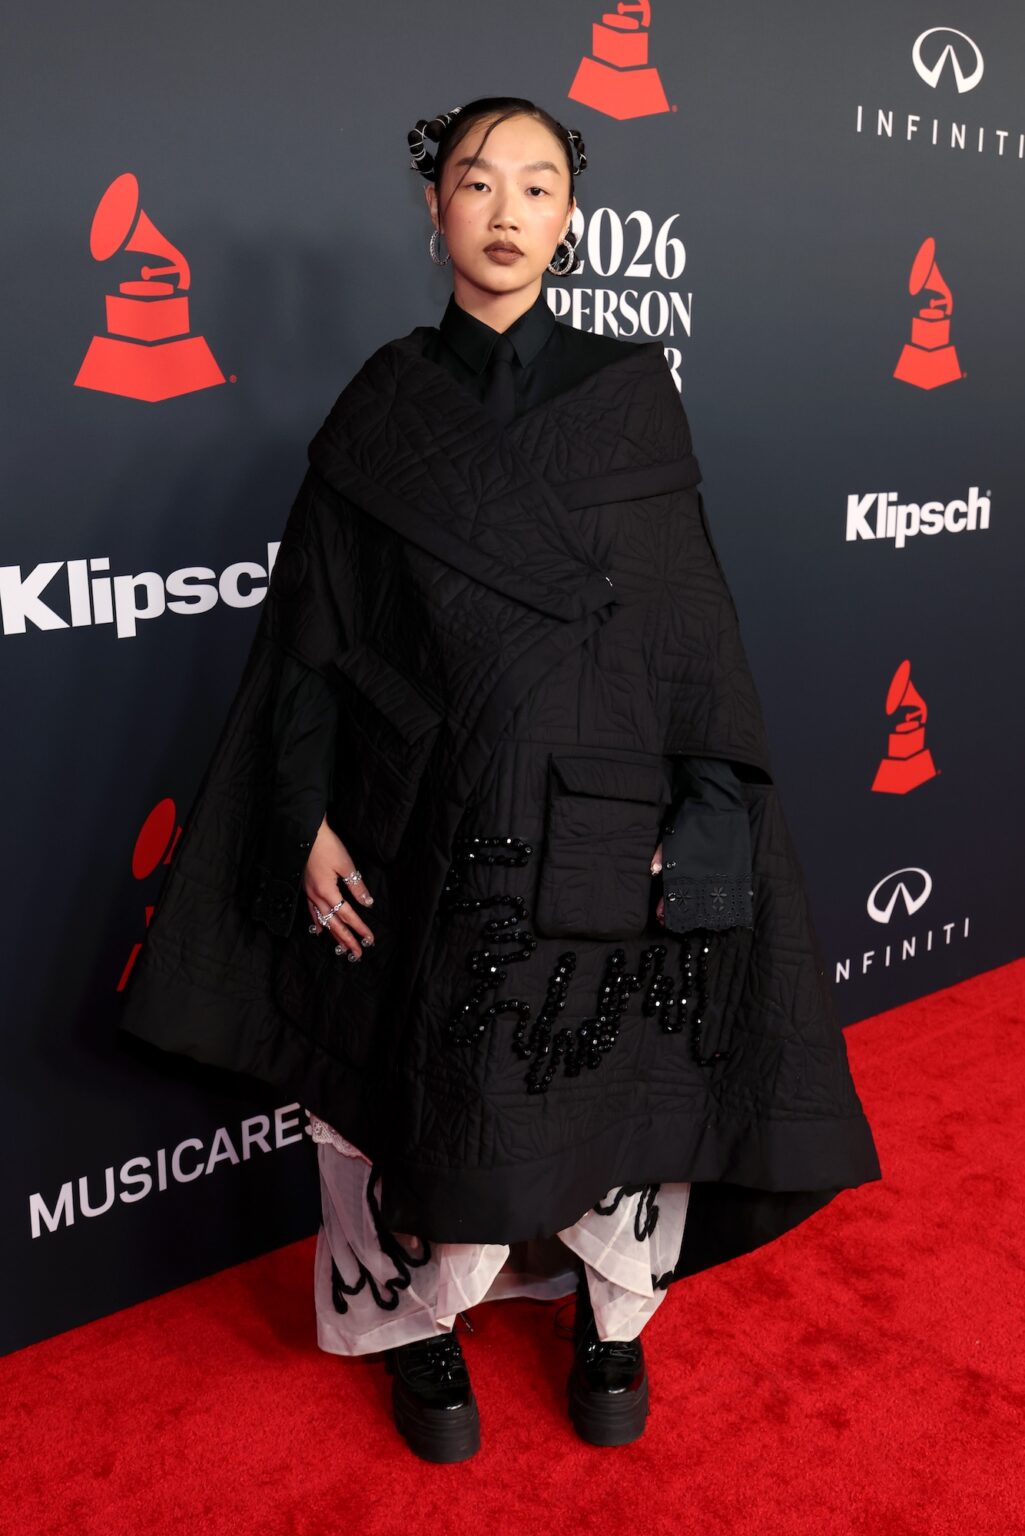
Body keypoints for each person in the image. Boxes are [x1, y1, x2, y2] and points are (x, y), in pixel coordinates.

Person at [119, 97, 882, 1466]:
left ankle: (610, 1322)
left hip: (602, 814)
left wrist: (707, 817)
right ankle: (415, 1327)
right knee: (409, 1083)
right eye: (478, 181)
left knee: (616, 1076)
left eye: (537, 185)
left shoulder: (629, 396)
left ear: (569, 218)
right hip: (428, 814)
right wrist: (301, 818)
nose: (507, 210)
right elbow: (308, 641)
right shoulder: (382, 410)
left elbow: (691, 632)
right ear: (436, 210)